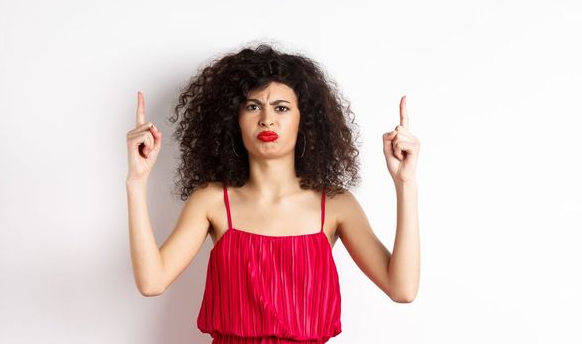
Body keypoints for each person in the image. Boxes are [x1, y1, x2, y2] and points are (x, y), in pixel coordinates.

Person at [126, 43, 420, 343]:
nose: (267, 119)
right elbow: (152, 282)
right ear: (234, 119)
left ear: (303, 119)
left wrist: (405, 183)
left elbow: (403, 289)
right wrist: (136, 182)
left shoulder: (335, 205)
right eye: (253, 106)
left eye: (281, 108)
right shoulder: (212, 201)